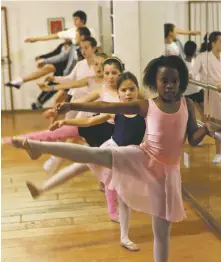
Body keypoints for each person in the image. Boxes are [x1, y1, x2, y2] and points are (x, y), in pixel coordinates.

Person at [11, 55, 220, 262]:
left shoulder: (187, 105)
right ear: (156, 81)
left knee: (161, 231)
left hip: (168, 174)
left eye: (174, 81)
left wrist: (205, 129)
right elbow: (108, 108)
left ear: (181, 82)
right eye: (165, 81)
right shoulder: (145, 105)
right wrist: (72, 106)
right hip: (142, 157)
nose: (170, 86)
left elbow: (193, 140)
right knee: (96, 154)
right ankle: (37, 146)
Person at [26, 72, 145, 252]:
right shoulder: (116, 111)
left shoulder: (144, 112)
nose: (128, 93)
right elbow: (90, 120)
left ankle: (124, 237)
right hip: (109, 149)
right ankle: (41, 183)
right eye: (124, 90)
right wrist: (65, 121)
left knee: (123, 197)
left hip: (126, 158)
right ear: (119, 94)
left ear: (137, 90)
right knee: (78, 165)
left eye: (131, 89)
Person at [191, 31, 221, 163]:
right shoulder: (203, 57)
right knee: (216, 123)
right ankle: (219, 152)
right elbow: (193, 73)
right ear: (213, 42)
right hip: (213, 93)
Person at [24, 10, 101, 49]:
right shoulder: (71, 31)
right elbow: (53, 36)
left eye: (76, 19)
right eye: (73, 19)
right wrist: (35, 39)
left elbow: (98, 47)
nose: (74, 21)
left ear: (83, 20)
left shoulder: (92, 31)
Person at [183, 40, 204, 120]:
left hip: (197, 90)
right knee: (190, 114)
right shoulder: (182, 63)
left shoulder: (195, 61)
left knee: (204, 112)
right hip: (188, 93)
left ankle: (206, 128)